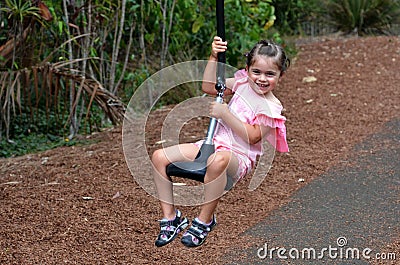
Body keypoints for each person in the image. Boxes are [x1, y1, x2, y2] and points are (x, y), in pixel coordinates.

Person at [152, 36, 290, 248]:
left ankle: (204, 221)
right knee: (159, 157)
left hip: (238, 156)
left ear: (280, 76)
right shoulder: (242, 84)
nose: (262, 79)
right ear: (247, 70)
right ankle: (172, 218)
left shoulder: (272, 107)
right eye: (257, 72)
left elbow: (253, 136)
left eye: (270, 74)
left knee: (218, 160)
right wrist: (213, 55)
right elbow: (209, 86)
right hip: (213, 143)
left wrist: (225, 114)